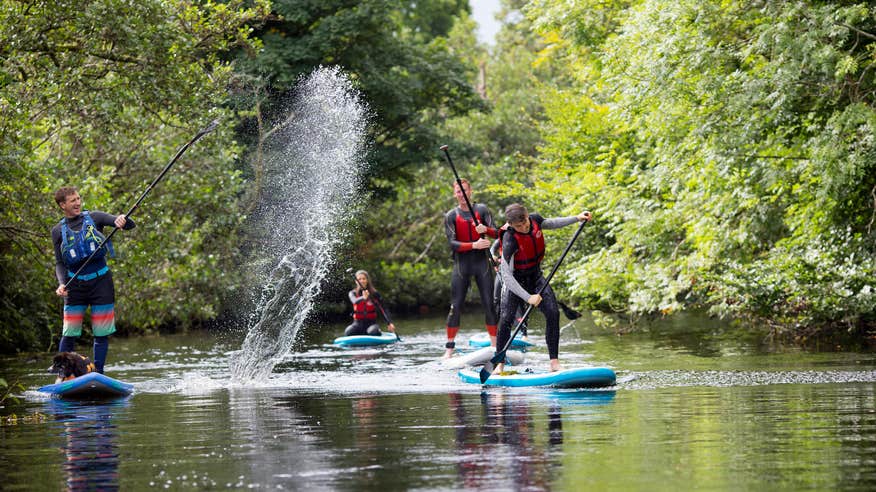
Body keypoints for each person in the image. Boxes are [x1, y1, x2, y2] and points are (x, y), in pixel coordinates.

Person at [494, 203, 591, 373]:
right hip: (515, 282)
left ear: (527, 216)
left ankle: (554, 362)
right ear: (511, 225)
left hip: (536, 277)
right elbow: (507, 277)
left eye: (525, 223)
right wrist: (527, 297)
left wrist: (576, 218)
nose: (524, 228)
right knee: (507, 318)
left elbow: (551, 223)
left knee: (553, 313)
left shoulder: (535, 219)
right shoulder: (509, 239)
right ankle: (499, 364)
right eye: (518, 226)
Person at [52, 186, 136, 374]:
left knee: (101, 334)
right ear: (62, 205)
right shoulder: (57, 231)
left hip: (101, 283)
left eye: (78, 199)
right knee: (69, 333)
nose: (78, 203)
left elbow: (128, 225)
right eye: (72, 200)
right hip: (75, 286)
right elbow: (59, 263)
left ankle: (98, 373)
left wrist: (123, 220)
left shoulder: (95, 217)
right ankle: (63, 374)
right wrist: (61, 283)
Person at [443, 179, 499, 358]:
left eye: (464, 191)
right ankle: (449, 349)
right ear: (455, 194)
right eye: (458, 192)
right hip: (462, 266)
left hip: (482, 264)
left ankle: (495, 346)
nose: (462, 194)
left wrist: (486, 231)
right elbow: (452, 243)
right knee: (455, 306)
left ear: (470, 191)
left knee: (489, 305)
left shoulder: (482, 210)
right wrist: (474, 245)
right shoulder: (451, 215)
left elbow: (497, 233)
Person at [345, 270, 395, 336]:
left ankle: (377, 332)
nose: (362, 281)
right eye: (359, 279)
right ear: (356, 281)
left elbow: (383, 309)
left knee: (373, 332)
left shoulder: (375, 294)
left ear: (367, 280)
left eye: (364, 279)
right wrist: (363, 297)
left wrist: (389, 323)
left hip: (371, 323)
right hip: (357, 323)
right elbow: (354, 301)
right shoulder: (352, 293)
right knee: (348, 332)